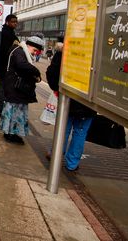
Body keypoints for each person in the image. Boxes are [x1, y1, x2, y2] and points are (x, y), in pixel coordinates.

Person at [45, 40, 96, 171]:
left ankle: (56, 153)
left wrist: (57, 88)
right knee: (80, 132)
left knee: (63, 128)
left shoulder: (65, 51)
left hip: (68, 99)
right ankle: (72, 164)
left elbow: (52, 73)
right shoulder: (96, 53)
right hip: (88, 102)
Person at [0, 35, 44, 144]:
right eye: (34, 50)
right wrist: (36, 72)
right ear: (29, 45)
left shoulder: (20, 50)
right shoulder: (19, 51)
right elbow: (21, 65)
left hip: (15, 87)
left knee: (15, 111)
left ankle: (11, 132)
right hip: (15, 88)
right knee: (15, 111)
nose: (35, 53)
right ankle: (11, 134)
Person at [0, 14, 19, 116]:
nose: (15, 23)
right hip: (4, 66)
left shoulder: (9, 32)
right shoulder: (6, 34)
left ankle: (1, 108)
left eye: (16, 22)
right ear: (7, 22)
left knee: (3, 87)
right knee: (2, 87)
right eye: (13, 21)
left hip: (5, 66)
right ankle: (0, 109)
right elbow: (6, 51)